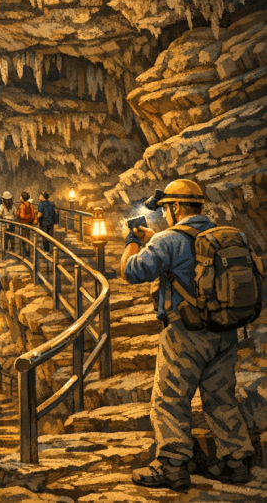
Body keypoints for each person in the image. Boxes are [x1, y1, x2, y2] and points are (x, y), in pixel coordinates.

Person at [122, 180, 254, 490]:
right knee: (221, 397)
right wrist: (155, 239)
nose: (165, 214)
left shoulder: (167, 240)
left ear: (177, 207)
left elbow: (132, 271)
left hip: (185, 332)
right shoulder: (228, 235)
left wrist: (132, 242)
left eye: (166, 209)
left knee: (170, 398)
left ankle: (172, 464)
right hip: (224, 329)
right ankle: (236, 462)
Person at [15, 191, 35, 257]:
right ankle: (28, 252)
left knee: (23, 238)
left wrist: (17, 213)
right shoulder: (30, 204)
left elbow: (21, 216)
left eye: (21, 196)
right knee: (28, 237)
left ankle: (23, 252)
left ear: (22, 198)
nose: (20, 197)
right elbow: (32, 215)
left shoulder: (22, 205)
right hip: (29, 223)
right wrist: (29, 217)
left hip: (23, 223)